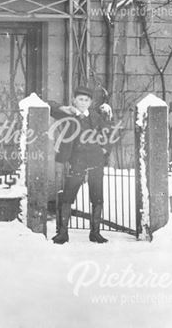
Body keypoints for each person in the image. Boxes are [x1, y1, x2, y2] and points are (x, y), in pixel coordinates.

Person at [48, 86, 115, 244]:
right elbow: (48, 105)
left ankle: (95, 233)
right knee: (68, 194)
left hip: (95, 160)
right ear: (74, 100)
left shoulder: (95, 116)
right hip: (76, 160)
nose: (83, 103)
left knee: (97, 195)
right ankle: (63, 233)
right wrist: (64, 107)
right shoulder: (67, 114)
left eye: (86, 100)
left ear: (90, 102)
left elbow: (110, 132)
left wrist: (105, 149)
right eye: (80, 99)